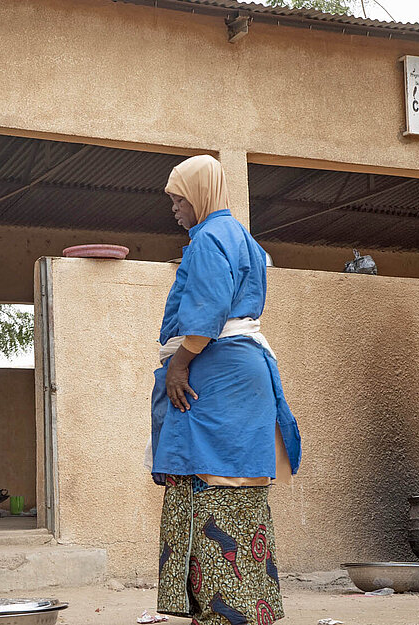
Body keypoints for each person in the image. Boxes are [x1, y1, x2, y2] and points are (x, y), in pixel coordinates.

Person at [149, 155, 302, 625]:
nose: (175, 207)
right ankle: (244, 611)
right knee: (241, 492)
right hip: (244, 375)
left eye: (179, 198)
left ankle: (221, 614)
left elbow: (209, 310)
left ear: (199, 195)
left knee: (213, 488)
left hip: (221, 379)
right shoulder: (244, 239)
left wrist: (179, 364)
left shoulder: (210, 240)